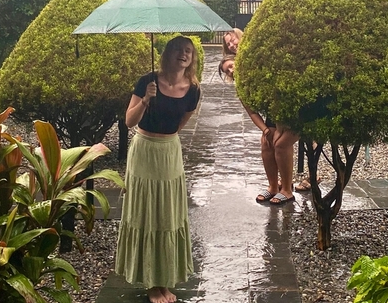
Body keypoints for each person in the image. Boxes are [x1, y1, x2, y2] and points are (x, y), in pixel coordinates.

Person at [115, 36, 201, 303]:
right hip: (144, 151)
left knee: (167, 214)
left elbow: (180, 123)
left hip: (169, 153)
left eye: (188, 51)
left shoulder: (193, 90)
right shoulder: (147, 81)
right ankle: (152, 284)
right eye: (178, 49)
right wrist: (145, 100)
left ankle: (164, 280)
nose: (183, 54)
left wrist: (167, 140)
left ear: (192, 58)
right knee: (147, 214)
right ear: (168, 53)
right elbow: (128, 122)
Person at [218, 52, 298, 205]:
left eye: (231, 66)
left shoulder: (260, 74)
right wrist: (266, 130)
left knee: (280, 144)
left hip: (293, 111)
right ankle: (273, 186)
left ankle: (287, 189)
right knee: (266, 142)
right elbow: (252, 113)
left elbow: (279, 98)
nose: (231, 71)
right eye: (227, 71)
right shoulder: (241, 87)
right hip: (274, 116)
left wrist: (279, 129)